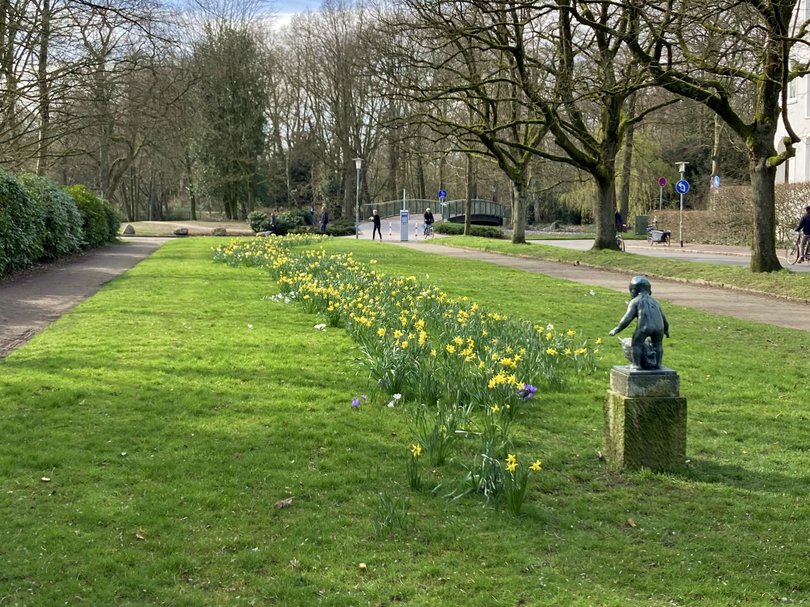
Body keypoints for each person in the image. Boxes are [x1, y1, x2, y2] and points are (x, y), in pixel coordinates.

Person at [609, 276, 669, 370]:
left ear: (633, 291)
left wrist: (617, 328)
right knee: (658, 345)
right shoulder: (655, 302)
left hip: (645, 327)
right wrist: (666, 329)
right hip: (659, 328)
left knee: (636, 344)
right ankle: (658, 365)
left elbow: (627, 318)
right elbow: (663, 317)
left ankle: (637, 365)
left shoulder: (635, 301)